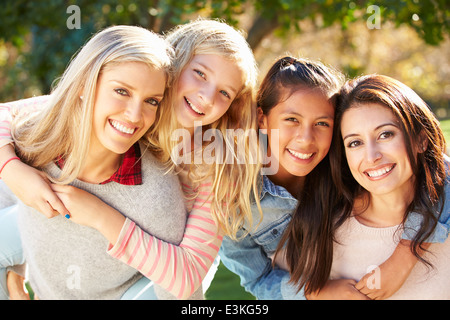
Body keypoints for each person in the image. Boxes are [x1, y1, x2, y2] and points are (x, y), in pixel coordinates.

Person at [0, 19, 260, 300]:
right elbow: (10, 115)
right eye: (199, 73)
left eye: (225, 93)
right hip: (91, 237)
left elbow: (186, 276)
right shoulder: (127, 110)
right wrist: (10, 168)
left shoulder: (216, 164)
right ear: (171, 65)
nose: (207, 98)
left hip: (170, 261)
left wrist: (99, 215)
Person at [277, 74, 450, 299]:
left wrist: (408, 250)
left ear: (421, 140)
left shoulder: (442, 217)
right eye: (355, 143)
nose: (371, 156)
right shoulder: (325, 230)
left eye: (385, 134)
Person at [219, 56, 345, 299]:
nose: (306, 138)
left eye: (321, 123)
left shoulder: (348, 166)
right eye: (292, 120)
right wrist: (316, 294)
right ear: (262, 119)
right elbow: (258, 278)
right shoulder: (234, 201)